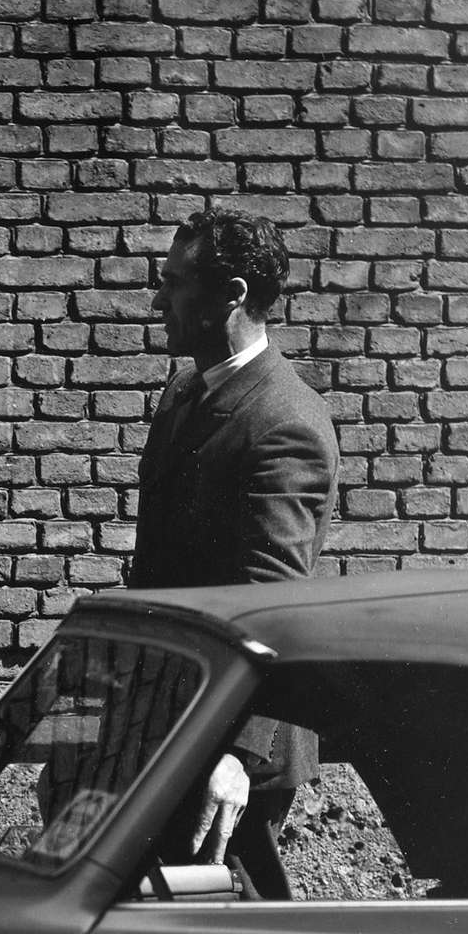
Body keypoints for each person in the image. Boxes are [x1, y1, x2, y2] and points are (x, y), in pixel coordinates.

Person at [129, 209, 338, 899]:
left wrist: (237, 755)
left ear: (233, 295)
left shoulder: (282, 423)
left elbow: (276, 602)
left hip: (229, 755)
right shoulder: (185, 392)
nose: (159, 301)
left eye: (175, 283)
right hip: (169, 729)